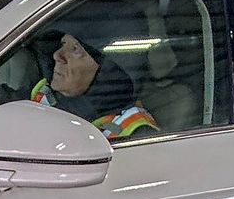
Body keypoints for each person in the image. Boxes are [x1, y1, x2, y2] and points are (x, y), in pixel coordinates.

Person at [28, 33, 161, 140]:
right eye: (63, 44)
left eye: (75, 49)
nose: (57, 55)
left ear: (108, 68)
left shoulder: (136, 133)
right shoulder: (44, 90)